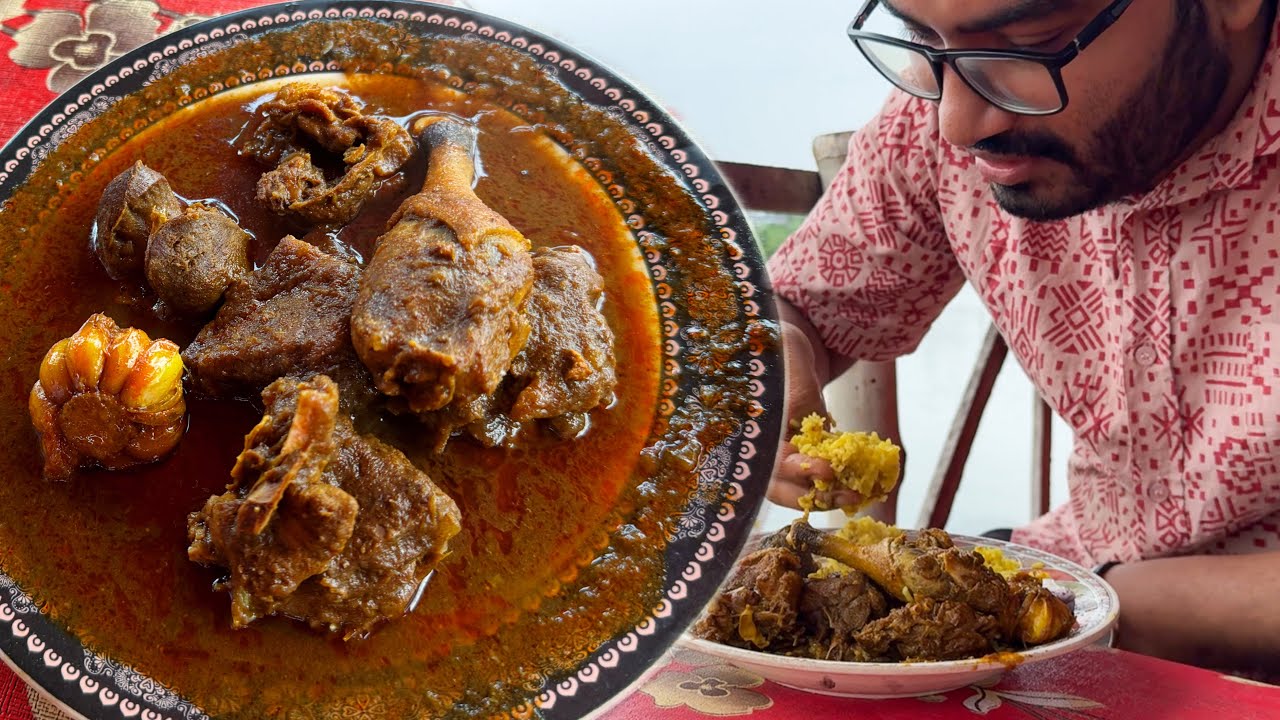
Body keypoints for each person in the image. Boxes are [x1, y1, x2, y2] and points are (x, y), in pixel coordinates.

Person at [766, 0, 1280, 676]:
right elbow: (794, 306)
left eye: (1027, 43)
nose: (955, 124)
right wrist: (770, 365)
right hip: (1066, 580)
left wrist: (1121, 603)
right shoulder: (943, 105)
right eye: (921, 39)